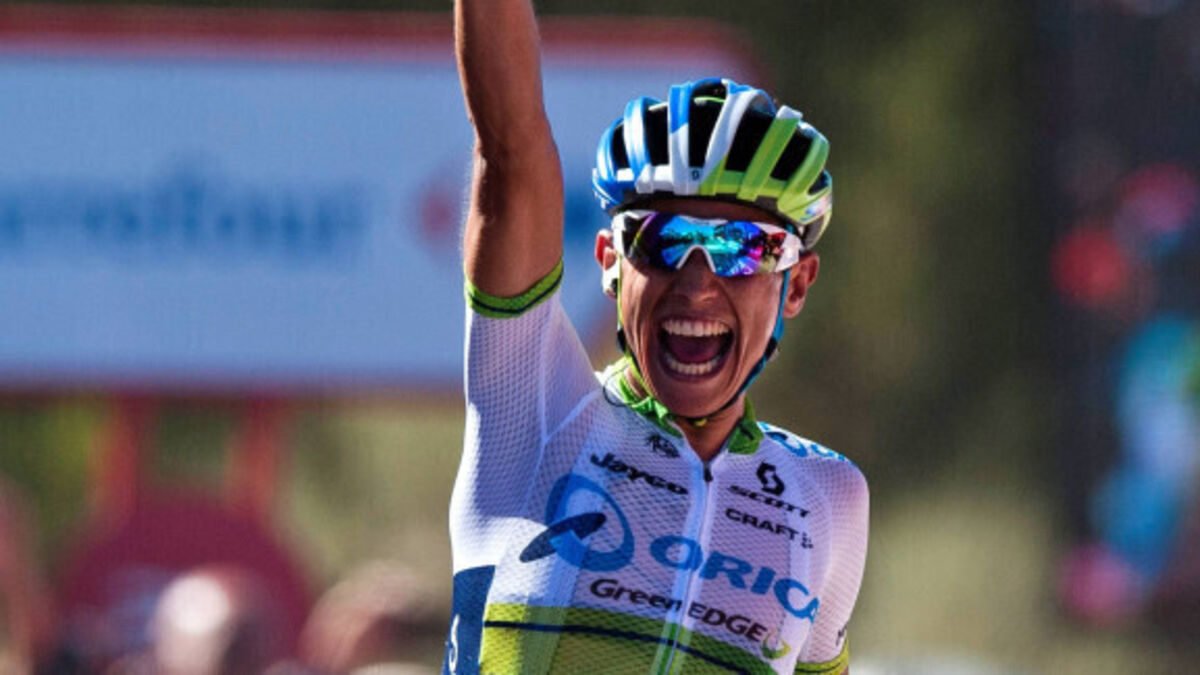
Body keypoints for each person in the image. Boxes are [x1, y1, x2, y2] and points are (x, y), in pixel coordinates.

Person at [446, 1, 869, 673]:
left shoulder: (827, 498)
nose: (697, 285)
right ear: (611, 263)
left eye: (741, 248)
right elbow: (510, 154)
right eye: (662, 241)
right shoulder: (538, 414)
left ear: (796, 284)